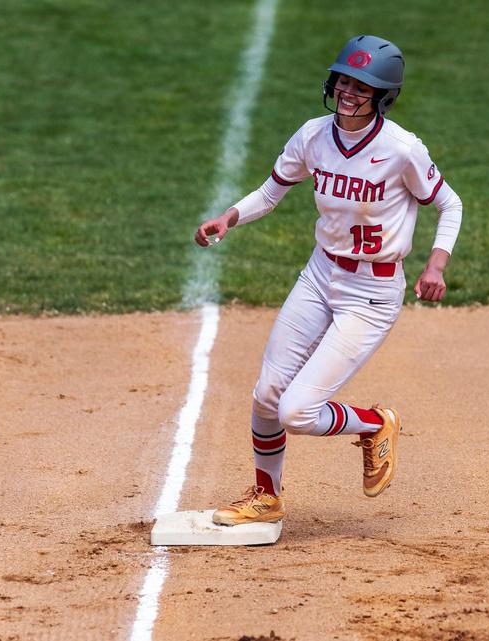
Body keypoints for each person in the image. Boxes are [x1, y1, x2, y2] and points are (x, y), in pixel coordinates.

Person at [193, 34, 463, 525]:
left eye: (361, 87)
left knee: (297, 412)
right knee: (267, 396)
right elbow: (271, 192)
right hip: (321, 276)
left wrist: (436, 264)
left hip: (373, 294)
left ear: (382, 96)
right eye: (343, 80)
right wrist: (229, 217)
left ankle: (376, 423)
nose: (347, 92)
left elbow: (450, 203)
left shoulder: (401, 149)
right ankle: (266, 497)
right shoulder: (313, 135)